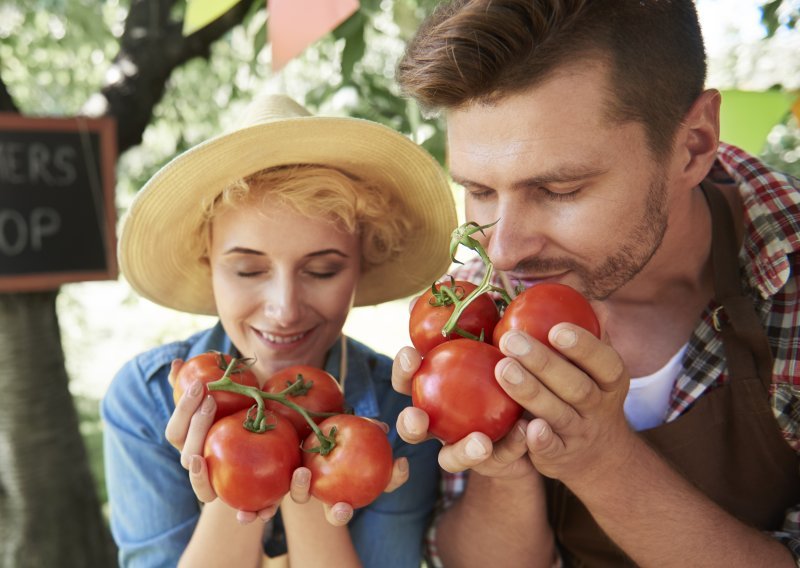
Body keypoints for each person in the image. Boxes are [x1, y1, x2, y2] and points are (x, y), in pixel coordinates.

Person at [389, 1, 800, 566]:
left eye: (560, 191)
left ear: (694, 144)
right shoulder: (473, 301)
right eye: (480, 190)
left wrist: (602, 462)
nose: (504, 250)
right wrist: (502, 469)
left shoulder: (789, 268)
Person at [101, 92, 457, 567]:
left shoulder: (402, 412)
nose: (285, 309)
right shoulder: (143, 401)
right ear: (209, 265)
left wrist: (293, 462)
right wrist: (231, 471)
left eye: (323, 270)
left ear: (360, 267)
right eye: (248, 271)